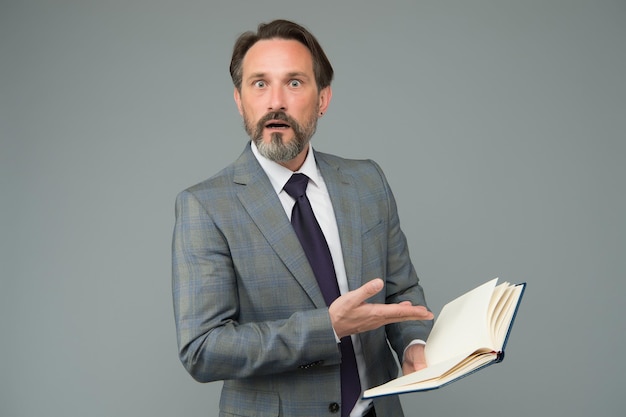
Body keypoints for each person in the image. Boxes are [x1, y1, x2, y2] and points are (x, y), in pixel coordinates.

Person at [172, 19, 434, 417]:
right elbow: (203, 349)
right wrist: (326, 327)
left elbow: (401, 291)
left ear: (323, 98)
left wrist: (415, 344)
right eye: (260, 83)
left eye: (294, 83)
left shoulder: (367, 182)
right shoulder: (205, 206)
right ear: (240, 100)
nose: (275, 101)